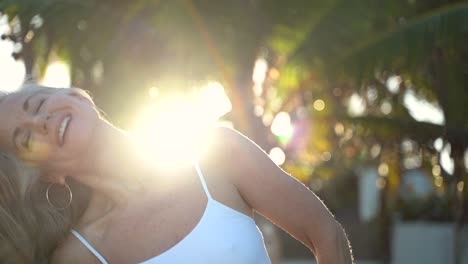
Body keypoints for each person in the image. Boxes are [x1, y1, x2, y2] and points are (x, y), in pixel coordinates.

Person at [0, 83, 354, 264]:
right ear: (45, 174)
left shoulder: (216, 152)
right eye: (26, 139)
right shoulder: (81, 256)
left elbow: (325, 233)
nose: (42, 122)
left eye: (38, 105)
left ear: (75, 96)